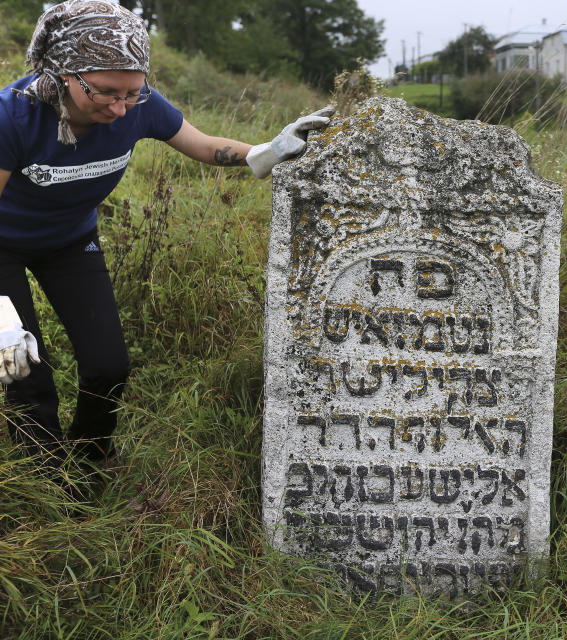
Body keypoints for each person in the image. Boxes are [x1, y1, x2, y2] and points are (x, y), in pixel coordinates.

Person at [0, 0, 331, 473]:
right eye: (105, 92)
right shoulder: (13, 116)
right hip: (3, 245)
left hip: (70, 241)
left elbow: (202, 145)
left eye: (132, 92)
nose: (120, 108)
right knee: (24, 370)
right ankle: (47, 478)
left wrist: (268, 150)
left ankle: (89, 461)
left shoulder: (141, 106)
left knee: (109, 365)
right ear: (64, 73)